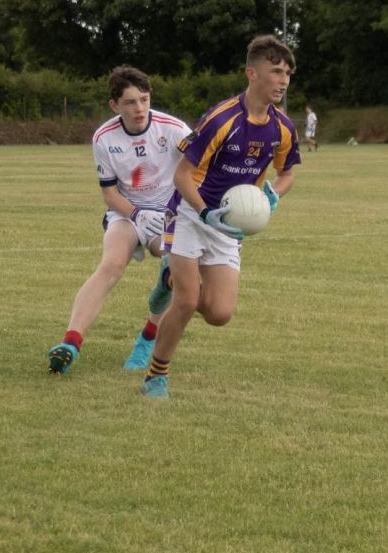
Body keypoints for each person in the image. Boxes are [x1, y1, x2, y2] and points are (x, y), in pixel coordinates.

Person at [140, 35, 301, 399]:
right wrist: (205, 212)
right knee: (186, 300)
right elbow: (181, 175)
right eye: (276, 71)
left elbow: (288, 172)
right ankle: (156, 375)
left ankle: (167, 279)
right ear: (252, 73)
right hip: (191, 214)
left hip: (229, 228)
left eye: (288, 73)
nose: (284, 80)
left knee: (218, 313)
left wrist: (273, 193)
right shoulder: (221, 118)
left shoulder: (283, 128)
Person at [47, 66, 191, 375]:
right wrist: (139, 214)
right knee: (110, 265)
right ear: (114, 105)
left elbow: (198, 172)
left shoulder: (175, 129)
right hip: (127, 212)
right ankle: (70, 344)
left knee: (174, 271)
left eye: (144, 99)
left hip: (169, 211)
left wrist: (174, 212)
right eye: (130, 102)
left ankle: (147, 339)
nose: (139, 109)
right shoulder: (103, 137)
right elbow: (110, 195)